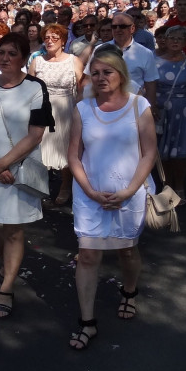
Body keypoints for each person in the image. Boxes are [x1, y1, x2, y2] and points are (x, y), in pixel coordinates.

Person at [67, 46, 157, 351]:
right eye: (96, 73)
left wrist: (130, 190)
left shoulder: (138, 105)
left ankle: (129, 291)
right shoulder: (82, 108)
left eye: (108, 72)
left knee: (126, 252)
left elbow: (149, 153)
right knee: (89, 254)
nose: (101, 77)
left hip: (129, 192)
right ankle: (87, 322)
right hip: (90, 193)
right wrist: (90, 191)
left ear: (121, 74)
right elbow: (74, 155)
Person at [0, 32, 54, 318]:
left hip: (19, 167)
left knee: (14, 230)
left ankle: (6, 287)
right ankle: (9, 262)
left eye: (11, 53)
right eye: (1, 52)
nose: (4, 58)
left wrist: (4, 163)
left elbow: (36, 134)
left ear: (24, 57)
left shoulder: (35, 88)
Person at [28, 23, 83, 206]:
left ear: (63, 41)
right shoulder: (38, 60)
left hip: (66, 110)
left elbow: (82, 89)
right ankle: (41, 188)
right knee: (39, 151)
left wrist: (79, 111)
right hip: (42, 110)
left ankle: (66, 186)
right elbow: (29, 88)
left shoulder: (73, 60)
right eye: (47, 37)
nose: (49, 41)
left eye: (54, 37)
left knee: (66, 150)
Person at [155, 26, 186, 202]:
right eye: (171, 38)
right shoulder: (155, 61)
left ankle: (180, 186)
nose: (175, 41)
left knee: (181, 149)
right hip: (160, 112)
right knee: (163, 149)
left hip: (183, 110)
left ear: (185, 42)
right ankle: (166, 185)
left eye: (180, 38)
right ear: (165, 40)